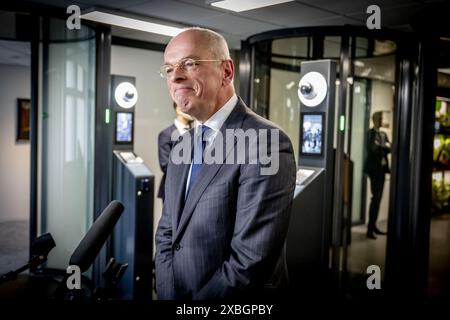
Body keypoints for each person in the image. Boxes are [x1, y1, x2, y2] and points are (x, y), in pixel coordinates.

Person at [155, 27, 296, 300]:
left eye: (189, 63)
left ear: (227, 72)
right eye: (169, 69)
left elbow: (250, 260)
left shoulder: (265, 142)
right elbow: (166, 235)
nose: (176, 76)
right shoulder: (181, 146)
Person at [157, 103, 193, 202]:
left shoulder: (197, 133)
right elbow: (165, 165)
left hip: (192, 189)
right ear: (178, 109)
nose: (192, 110)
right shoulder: (166, 134)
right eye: (188, 106)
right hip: (172, 187)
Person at [364, 111, 391, 239]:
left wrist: (383, 147)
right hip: (373, 171)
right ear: (373, 120)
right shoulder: (370, 133)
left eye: (381, 118)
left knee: (378, 199)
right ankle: (370, 229)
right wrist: (383, 147)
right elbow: (372, 149)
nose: (381, 120)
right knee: (375, 198)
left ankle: (373, 225)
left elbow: (390, 148)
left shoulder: (383, 134)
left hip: (382, 170)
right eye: (379, 118)